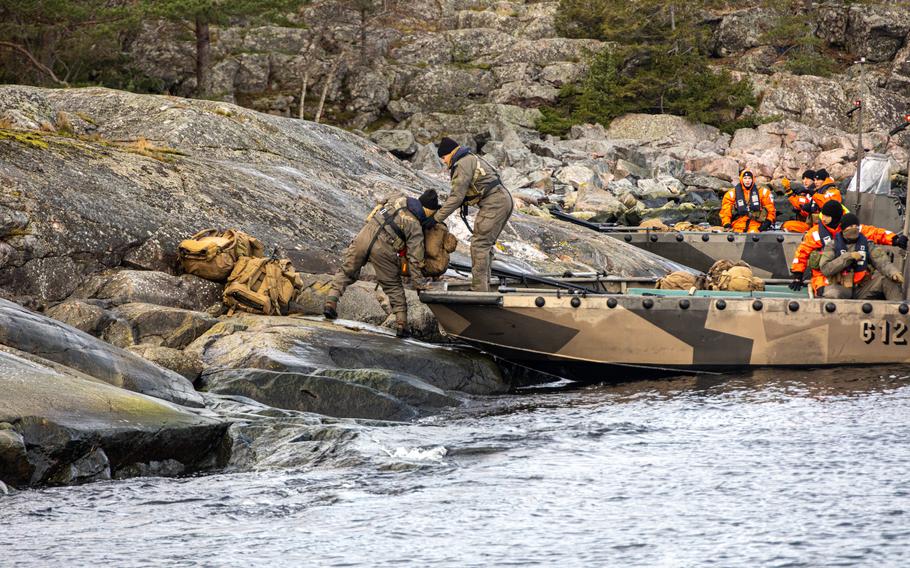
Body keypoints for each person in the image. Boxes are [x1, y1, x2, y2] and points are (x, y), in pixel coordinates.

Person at [323, 189, 440, 337]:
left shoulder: (398, 197)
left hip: (364, 235)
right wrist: (419, 285)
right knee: (393, 286)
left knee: (346, 271)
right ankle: (402, 325)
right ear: (428, 211)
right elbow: (415, 259)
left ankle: (330, 303)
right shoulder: (414, 225)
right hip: (383, 249)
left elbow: (383, 199)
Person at [434, 137, 514, 291]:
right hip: (503, 200)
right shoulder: (471, 158)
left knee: (479, 245)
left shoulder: (462, 163)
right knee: (485, 244)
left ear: (450, 153)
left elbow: (456, 197)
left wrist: (436, 219)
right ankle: (486, 285)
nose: (444, 162)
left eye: (443, 157)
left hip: (494, 203)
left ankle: (479, 290)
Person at [788, 200, 907, 295]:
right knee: (833, 294)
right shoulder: (815, 234)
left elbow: (874, 232)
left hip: (856, 279)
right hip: (826, 278)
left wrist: (894, 239)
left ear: (835, 218)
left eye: (826, 216)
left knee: (885, 284)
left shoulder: (850, 228)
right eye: (822, 215)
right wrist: (797, 276)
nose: (823, 219)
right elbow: (802, 253)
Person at [818, 213, 904, 300]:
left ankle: (898, 311)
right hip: (840, 287)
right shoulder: (832, 245)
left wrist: (893, 273)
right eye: (851, 226)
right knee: (832, 295)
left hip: (862, 287)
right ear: (843, 228)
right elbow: (825, 269)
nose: (854, 228)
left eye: (856, 226)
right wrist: (848, 257)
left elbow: (882, 262)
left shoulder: (867, 244)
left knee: (889, 281)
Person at [720, 169, 776, 233]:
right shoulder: (731, 194)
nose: (747, 180)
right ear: (741, 179)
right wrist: (727, 224)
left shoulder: (763, 192)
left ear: (753, 179)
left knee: (753, 235)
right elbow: (725, 211)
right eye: (745, 178)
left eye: (749, 178)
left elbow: (770, 208)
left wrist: (768, 222)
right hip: (737, 224)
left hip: (755, 224)